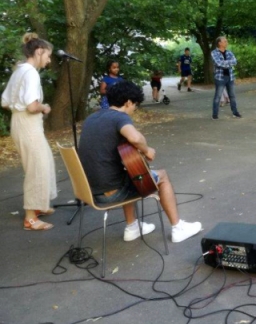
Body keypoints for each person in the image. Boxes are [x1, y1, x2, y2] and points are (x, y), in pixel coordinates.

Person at [78, 81, 202, 243]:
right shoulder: (119, 117)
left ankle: (132, 227)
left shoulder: (92, 118)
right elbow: (135, 138)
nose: (134, 109)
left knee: (128, 173)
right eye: (135, 105)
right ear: (128, 102)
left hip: (90, 191)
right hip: (112, 193)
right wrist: (147, 150)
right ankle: (178, 228)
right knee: (162, 176)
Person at [1, 33, 57, 231]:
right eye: (48, 56)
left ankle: (39, 204)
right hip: (28, 124)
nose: (49, 60)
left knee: (43, 162)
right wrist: (45, 107)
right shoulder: (31, 73)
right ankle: (30, 218)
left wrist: (21, 108)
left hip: (19, 122)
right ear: (39, 51)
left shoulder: (19, 70)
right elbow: (32, 106)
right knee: (36, 168)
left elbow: (4, 102)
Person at [211, 36, 241, 119]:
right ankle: (215, 115)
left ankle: (235, 112)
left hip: (230, 77)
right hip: (220, 77)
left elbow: (235, 61)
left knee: (232, 96)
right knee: (218, 96)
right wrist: (228, 63)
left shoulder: (229, 52)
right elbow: (218, 63)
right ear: (219, 43)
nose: (226, 42)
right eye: (225, 41)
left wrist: (224, 63)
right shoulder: (214, 52)